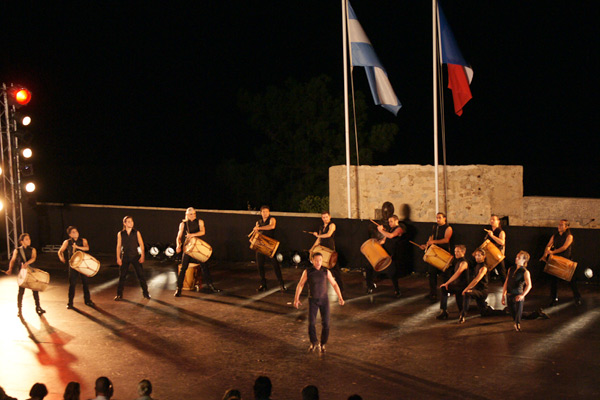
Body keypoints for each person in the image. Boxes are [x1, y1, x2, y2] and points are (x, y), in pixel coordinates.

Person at [294, 252, 345, 353]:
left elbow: (334, 284)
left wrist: (340, 297)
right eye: (316, 260)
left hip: (324, 300)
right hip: (313, 300)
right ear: (312, 260)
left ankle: (323, 343)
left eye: (320, 260)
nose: (318, 262)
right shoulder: (308, 271)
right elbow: (300, 284)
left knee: (326, 323)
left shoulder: (326, 271)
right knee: (311, 323)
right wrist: (296, 298)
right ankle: (314, 342)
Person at [174, 207, 221, 296]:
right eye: (192, 214)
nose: (194, 215)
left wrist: (192, 235)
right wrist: (178, 245)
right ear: (187, 215)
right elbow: (178, 236)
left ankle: (211, 286)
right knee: (183, 268)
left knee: (204, 267)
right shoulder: (183, 224)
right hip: (188, 248)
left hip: (197, 248)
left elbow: (203, 232)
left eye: (195, 213)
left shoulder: (200, 221)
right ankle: (178, 289)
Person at [6, 233, 46, 317]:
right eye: (27, 239)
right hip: (22, 273)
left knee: (35, 290)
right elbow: (12, 260)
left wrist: (27, 263)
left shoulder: (32, 249)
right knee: (21, 292)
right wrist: (10, 269)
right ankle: (19, 310)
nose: (29, 240)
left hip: (31, 272)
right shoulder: (17, 250)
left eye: (29, 239)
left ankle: (38, 307)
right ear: (22, 241)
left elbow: (33, 258)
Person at [543, 219, 581, 306]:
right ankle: (554, 298)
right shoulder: (554, 236)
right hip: (556, 260)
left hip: (566, 260)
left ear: (566, 227)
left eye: (561, 225)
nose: (559, 226)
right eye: (559, 224)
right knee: (553, 280)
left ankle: (577, 297)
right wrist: (545, 254)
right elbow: (548, 245)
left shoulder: (569, 236)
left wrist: (552, 252)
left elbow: (564, 247)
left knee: (572, 280)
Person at [366, 215, 405, 297]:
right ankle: (370, 286)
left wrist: (381, 230)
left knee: (392, 274)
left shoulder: (399, 229)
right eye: (389, 221)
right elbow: (384, 240)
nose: (389, 223)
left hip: (392, 255)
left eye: (391, 221)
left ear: (396, 221)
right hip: (384, 253)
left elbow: (391, 236)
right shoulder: (390, 230)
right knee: (369, 266)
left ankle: (397, 290)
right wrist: (375, 243)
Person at [58, 226, 95, 309]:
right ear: (70, 234)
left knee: (85, 283)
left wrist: (77, 247)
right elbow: (60, 251)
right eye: (73, 232)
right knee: (72, 284)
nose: (76, 233)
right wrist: (61, 257)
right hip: (73, 265)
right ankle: (70, 302)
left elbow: (87, 248)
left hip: (82, 265)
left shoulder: (83, 240)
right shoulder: (67, 242)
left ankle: (88, 300)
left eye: (76, 231)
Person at [115, 216, 150, 301]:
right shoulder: (120, 233)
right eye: (129, 222)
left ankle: (146, 293)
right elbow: (118, 246)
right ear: (125, 223)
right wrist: (118, 258)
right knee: (122, 276)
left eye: (132, 221)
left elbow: (141, 245)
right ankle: (119, 294)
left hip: (135, 256)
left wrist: (142, 256)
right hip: (125, 256)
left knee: (141, 275)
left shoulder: (136, 232)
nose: (131, 223)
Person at [252, 205, 286, 292]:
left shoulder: (272, 219)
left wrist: (259, 228)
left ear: (269, 212)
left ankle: (281, 284)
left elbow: (272, 226)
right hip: (261, 245)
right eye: (263, 212)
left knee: (275, 265)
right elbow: (257, 233)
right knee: (260, 265)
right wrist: (255, 230)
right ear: (261, 213)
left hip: (270, 245)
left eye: (267, 212)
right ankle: (263, 284)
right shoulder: (258, 222)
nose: (265, 213)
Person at [421, 212, 453, 301]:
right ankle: (433, 293)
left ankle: (447, 291)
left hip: (443, 253)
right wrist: (426, 245)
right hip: (434, 252)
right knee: (432, 273)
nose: (437, 219)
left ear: (444, 218)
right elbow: (431, 238)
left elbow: (446, 240)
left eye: (439, 218)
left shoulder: (448, 228)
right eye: (437, 218)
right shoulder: (435, 227)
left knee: (445, 275)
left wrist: (434, 242)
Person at [309, 211, 344, 292]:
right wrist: (312, 248)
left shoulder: (332, 225)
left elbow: (328, 234)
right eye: (323, 217)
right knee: (319, 268)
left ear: (330, 217)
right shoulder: (321, 227)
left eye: (326, 217)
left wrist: (318, 235)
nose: (325, 219)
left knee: (335, 270)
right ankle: (319, 289)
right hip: (322, 249)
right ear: (322, 218)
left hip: (330, 249)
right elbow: (319, 239)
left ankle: (340, 289)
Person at [502, 251, 533, 332]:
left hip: (518, 294)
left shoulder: (525, 272)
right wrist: (503, 295)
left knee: (518, 313)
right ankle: (536, 314)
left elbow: (529, 285)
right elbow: (506, 282)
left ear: (524, 260)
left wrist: (522, 295)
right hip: (509, 294)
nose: (516, 258)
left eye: (519, 258)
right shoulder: (511, 269)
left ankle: (517, 324)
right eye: (516, 256)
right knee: (514, 314)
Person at [437, 245, 470, 320]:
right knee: (443, 288)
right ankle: (444, 311)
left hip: (462, 287)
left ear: (463, 252)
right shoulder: (458, 262)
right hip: (457, 286)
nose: (456, 253)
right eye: (455, 251)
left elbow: (458, 273)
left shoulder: (464, 263)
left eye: (458, 251)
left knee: (444, 287)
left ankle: (461, 313)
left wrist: (447, 283)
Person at [483, 214, 507, 280]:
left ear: (498, 221)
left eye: (493, 219)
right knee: (485, 271)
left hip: (497, 254)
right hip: (489, 254)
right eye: (491, 219)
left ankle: (507, 288)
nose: (491, 221)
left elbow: (502, 242)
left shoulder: (501, 232)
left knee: (502, 273)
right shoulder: (490, 231)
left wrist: (492, 236)